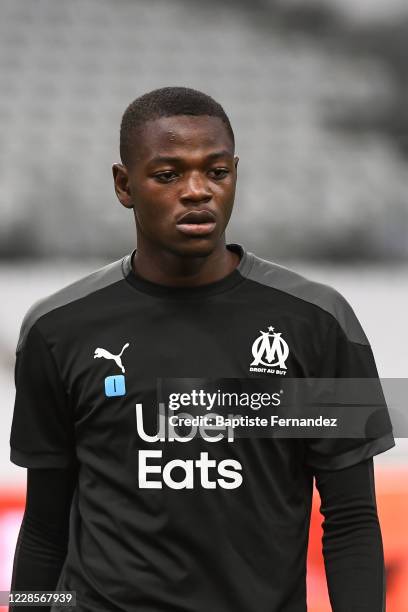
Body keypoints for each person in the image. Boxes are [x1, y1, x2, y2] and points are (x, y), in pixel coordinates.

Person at [9, 86, 395, 612]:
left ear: (235, 173)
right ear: (124, 185)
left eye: (216, 172)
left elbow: (351, 518)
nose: (198, 191)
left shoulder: (319, 322)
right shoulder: (57, 328)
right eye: (168, 175)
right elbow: (44, 526)